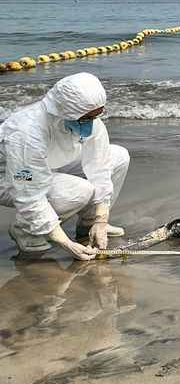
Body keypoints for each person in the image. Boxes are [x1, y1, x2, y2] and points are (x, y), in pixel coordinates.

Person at [0, 73, 129, 260]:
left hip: (47, 164)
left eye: (97, 115)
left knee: (118, 156)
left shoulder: (84, 116)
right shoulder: (26, 132)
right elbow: (28, 192)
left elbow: (100, 166)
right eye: (87, 118)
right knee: (79, 190)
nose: (93, 122)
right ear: (67, 112)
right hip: (15, 175)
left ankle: (89, 225)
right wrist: (65, 243)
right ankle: (27, 230)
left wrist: (101, 219)